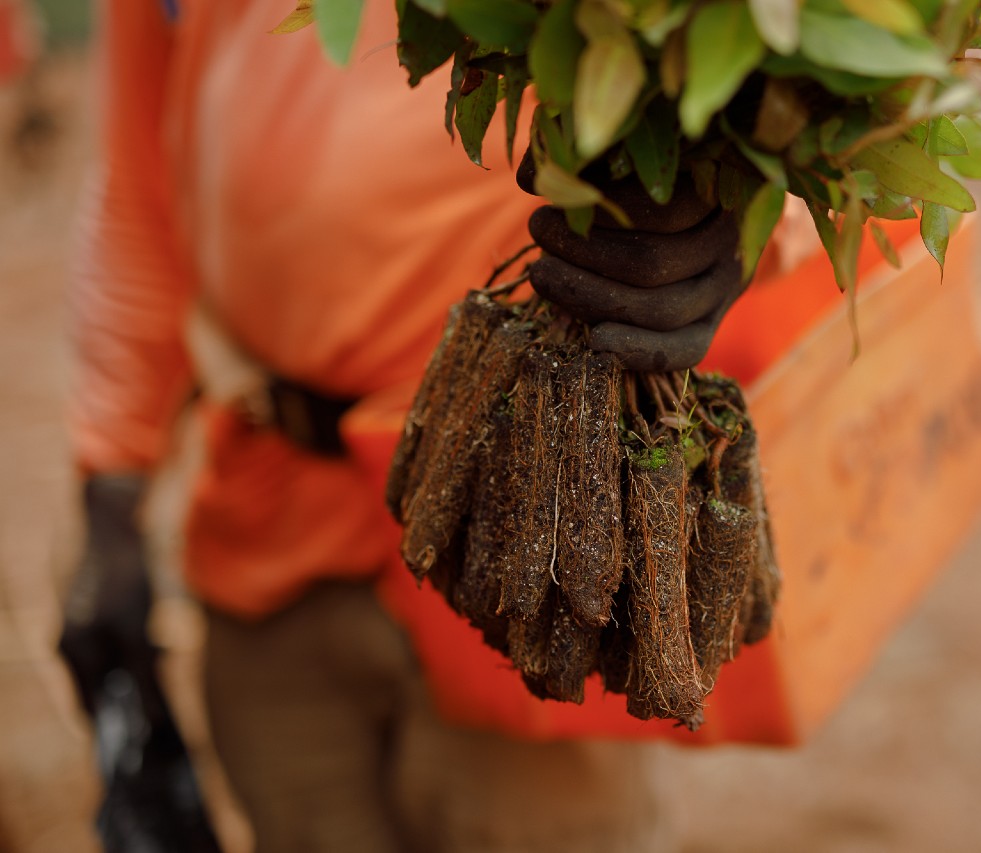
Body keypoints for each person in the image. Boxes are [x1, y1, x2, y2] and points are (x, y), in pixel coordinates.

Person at [55, 1, 755, 850]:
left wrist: (738, 229)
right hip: (270, 529)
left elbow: (761, 107)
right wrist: (114, 474)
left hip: (525, 542)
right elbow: (141, 186)